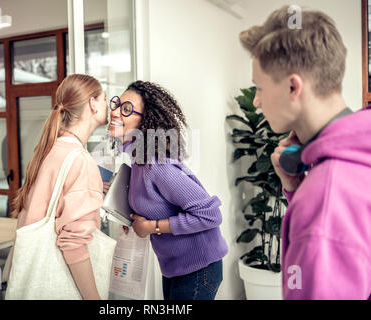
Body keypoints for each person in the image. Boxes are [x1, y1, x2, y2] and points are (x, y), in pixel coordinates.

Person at [239, 6, 371, 299]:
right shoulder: (359, 154)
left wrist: (312, 199)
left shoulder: (326, 197)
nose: (257, 102)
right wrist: (298, 190)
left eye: (258, 88)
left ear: (292, 87)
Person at [106, 80, 228, 300]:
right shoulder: (138, 160)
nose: (114, 112)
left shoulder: (157, 165)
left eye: (126, 109)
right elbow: (154, 202)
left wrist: (151, 227)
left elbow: (210, 215)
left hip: (198, 268)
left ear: (145, 122)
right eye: (116, 105)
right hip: (175, 267)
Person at [10, 74, 108, 300]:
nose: (107, 105)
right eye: (103, 99)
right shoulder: (80, 160)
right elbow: (73, 244)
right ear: (92, 104)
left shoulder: (49, 149)